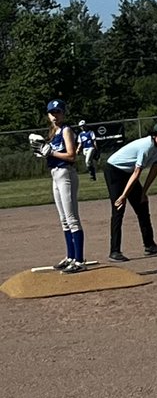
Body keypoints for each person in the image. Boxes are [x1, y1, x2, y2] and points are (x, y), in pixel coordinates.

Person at [103, 124, 157, 262]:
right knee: (118, 208)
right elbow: (137, 172)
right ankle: (114, 251)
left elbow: (154, 170)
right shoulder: (146, 147)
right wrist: (123, 196)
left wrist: (144, 192)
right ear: (154, 135)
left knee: (142, 206)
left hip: (129, 173)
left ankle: (149, 245)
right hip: (114, 170)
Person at [38, 100, 86, 273]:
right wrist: (43, 152)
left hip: (66, 174)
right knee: (64, 219)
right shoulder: (53, 132)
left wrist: (51, 152)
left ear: (63, 113)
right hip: (55, 175)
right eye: (52, 113)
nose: (55, 116)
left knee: (72, 218)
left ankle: (79, 260)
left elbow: (71, 155)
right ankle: (71, 256)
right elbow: (53, 154)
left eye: (58, 112)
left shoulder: (66, 130)